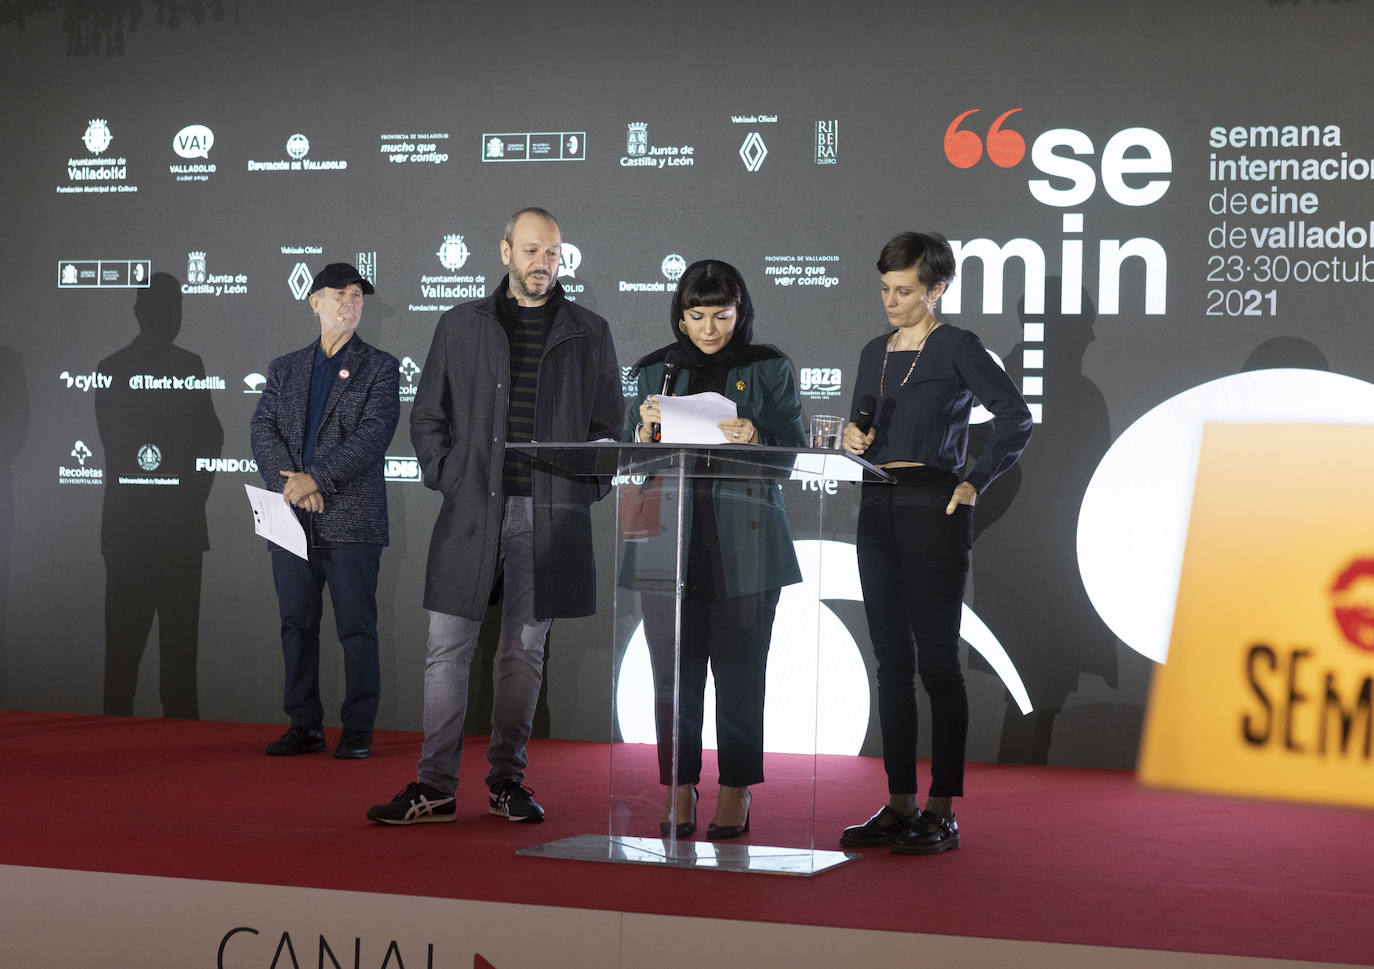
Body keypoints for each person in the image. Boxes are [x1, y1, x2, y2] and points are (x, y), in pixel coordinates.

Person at [367, 207, 622, 826]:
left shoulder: (590, 331)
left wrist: (578, 493)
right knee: (444, 652)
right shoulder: (460, 326)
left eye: (552, 254)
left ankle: (508, 781)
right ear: (505, 250)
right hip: (471, 515)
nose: (542, 263)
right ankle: (435, 785)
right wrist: (450, 476)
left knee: (522, 656)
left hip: (548, 518)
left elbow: (608, 430)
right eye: (531, 251)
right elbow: (427, 416)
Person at [838, 232, 1031, 855]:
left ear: (937, 288)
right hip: (875, 505)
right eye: (885, 290)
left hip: (932, 507)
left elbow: (1014, 417)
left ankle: (942, 809)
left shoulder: (957, 347)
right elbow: (861, 421)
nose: (891, 302)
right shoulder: (873, 351)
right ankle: (898, 804)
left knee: (938, 665)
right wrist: (850, 437)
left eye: (904, 291)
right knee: (890, 663)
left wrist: (975, 481)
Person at [625, 259, 806, 839]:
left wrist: (756, 436)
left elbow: (792, 458)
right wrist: (644, 432)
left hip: (745, 546)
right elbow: (632, 465)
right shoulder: (656, 369)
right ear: (680, 316)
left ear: (740, 311)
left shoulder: (769, 367)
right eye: (696, 316)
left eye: (721, 315)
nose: (708, 329)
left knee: (740, 674)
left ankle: (735, 791)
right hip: (665, 545)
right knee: (671, 679)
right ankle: (680, 787)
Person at [250, 263, 400, 759]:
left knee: (357, 628)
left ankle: (357, 728)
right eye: (340, 294)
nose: (350, 303)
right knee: (297, 623)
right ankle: (304, 724)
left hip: (351, 519)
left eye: (358, 296)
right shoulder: (285, 368)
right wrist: (292, 486)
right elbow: (263, 431)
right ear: (314, 302)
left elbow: (372, 438)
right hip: (290, 515)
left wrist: (319, 480)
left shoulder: (379, 367)